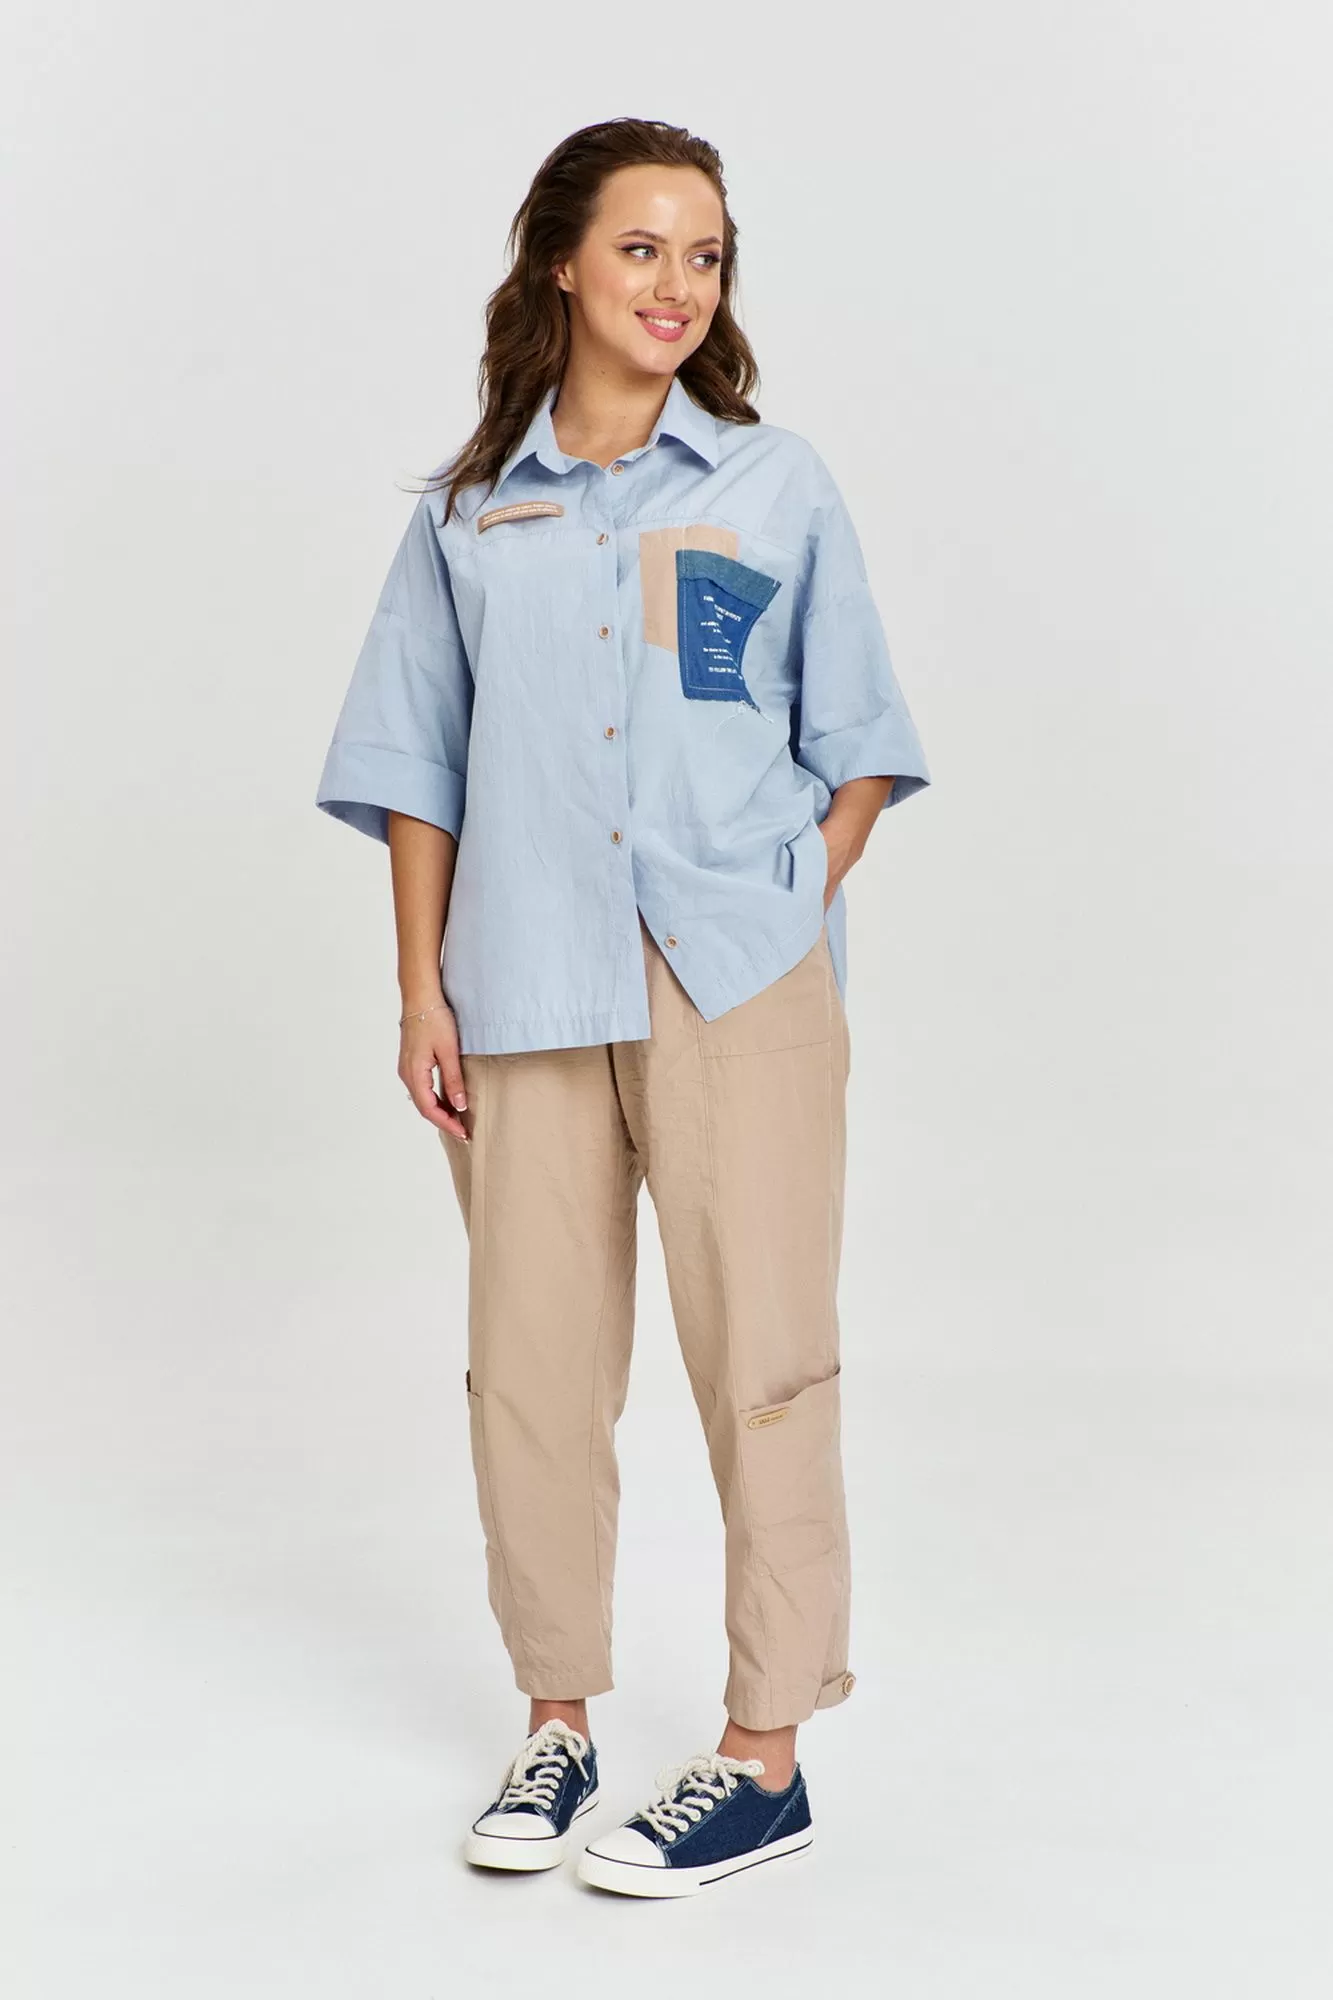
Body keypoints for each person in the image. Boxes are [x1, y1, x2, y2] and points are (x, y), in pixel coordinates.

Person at [315, 116, 930, 1899]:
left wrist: (790, 893)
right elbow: (415, 763)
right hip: (522, 983)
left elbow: (861, 739)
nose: (679, 284)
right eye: (645, 247)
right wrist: (419, 988)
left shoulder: (772, 484)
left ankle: (764, 1755)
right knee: (531, 1367)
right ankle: (557, 1723)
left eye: (707, 254)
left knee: (762, 1362)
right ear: (563, 264)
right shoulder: (469, 513)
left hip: (735, 982)